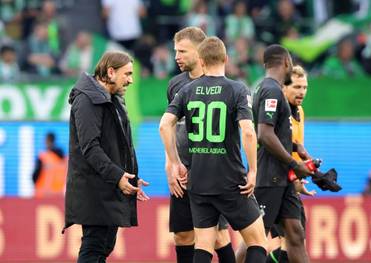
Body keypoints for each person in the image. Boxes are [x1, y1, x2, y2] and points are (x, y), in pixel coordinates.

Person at [160, 36, 268, 263]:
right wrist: (253, 171)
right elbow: (248, 132)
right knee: (258, 243)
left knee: (203, 246)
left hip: (198, 181)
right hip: (230, 179)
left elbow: (164, 125)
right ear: (226, 58)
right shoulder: (237, 89)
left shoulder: (187, 90)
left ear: (200, 59)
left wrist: (175, 162)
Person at [64, 51, 149, 262]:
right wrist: (118, 176)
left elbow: (118, 146)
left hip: (107, 188)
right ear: (110, 72)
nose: (130, 80)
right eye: (127, 74)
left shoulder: (112, 99)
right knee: (94, 249)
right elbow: (90, 148)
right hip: (94, 191)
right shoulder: (87, 100)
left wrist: (129, 177)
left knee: (103, 248)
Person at [236, 45, 313, 263]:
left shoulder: (265, 88)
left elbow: (274, 133)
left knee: (295, 234)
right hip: (269, 177)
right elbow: (264, 134)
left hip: (282, 177)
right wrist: (294, 162)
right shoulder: (271, 90)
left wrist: (295, 147)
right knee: (255, 239)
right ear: (286, 63)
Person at [165, 26, 235, 263]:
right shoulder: (175, 84)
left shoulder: (224, 86)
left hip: (214, 172)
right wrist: (171, 165)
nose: (177, 57)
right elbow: (170, 128)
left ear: (200, 52)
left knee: (219, 236)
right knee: (183, 235)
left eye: (183, 51)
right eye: (176, 51)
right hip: (183, 172)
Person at [267, 65, 316, 263]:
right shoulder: (278, 112)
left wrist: (299, 176)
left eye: (304, 87)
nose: (302, 92)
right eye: (296, 87)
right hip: (273, 182)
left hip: (287, 183)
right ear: (284, 87)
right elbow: (271, 145)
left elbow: (292, 148)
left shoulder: (299, 112)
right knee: (290, 240)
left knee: (289, 241)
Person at [32, 132, 67, 198]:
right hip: (59, 196)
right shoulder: (64, 159)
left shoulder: (43, 157)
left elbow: (35, 176)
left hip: (42, 196)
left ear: (47, 140)